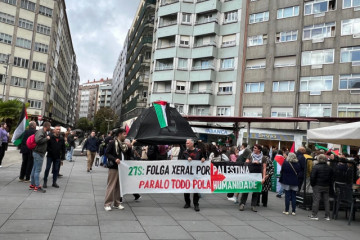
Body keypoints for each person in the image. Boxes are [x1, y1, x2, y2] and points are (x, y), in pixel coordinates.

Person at [104, 128, 138, 211]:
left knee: (119, 186)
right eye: (124, 134)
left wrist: (130, 147)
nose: (125, 135)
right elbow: (107, 153)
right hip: (114, 167)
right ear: (119, 134)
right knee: (111, 186)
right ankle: (107, 204)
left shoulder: (124, 144)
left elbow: (129, 155)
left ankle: (117, 203)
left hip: (122, 168)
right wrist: (115, 159)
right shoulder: (112, 143)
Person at [239, 144, 266, 212]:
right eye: (254, 148)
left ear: (259, 150)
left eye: (255, 148)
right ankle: (242, 204)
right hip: (249, 174)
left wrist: (264, 178)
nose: (254, 149)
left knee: (256, 191)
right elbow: (246, 163)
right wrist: (252, 162)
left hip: (258, 176)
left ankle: (253, 205)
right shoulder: (251, 155)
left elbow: (264, 168)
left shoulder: (263, 158)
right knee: (246, 189)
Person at [181, 139, 206, 212]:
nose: (186, 144)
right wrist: (186, 159)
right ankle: (187, 203)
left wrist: (203, 159)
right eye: (186, 143)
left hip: (196, 174)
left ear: (192, 144)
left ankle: (196, 204)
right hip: (187, 174)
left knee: (196, 189)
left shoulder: (198, 151)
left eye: (188, 143)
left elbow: (204, 157)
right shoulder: (185, 152)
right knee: (186, 188)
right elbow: (180, 162)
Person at [309, 154, 333, 221]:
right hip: (326, 185)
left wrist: (313, 184)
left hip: (318, 185)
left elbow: (312, 177)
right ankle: (327, 216)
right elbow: (332, 177)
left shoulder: (316, 167)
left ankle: (314, 215)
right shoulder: (329, 168)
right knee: (326, 201)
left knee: (316, 200)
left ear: (318, 159)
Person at [29, 121, 51, 193]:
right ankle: (37, 186)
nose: (50, 128)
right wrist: (46, 138)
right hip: (38, 153)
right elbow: (38, 140)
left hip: (37, 153)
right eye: (49, 126)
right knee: (37, 170)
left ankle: (32, 184)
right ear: (47, 126)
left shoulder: (42, 132)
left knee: (34, 169)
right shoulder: (41, 132)